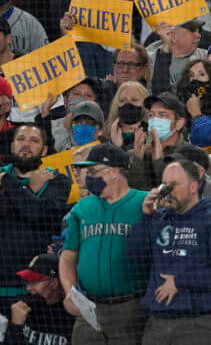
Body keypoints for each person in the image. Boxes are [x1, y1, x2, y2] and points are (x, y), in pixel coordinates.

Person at [127, 158, 211, 343]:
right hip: (157, 322)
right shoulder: (158, 219)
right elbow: (133, 257)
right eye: (164, 185)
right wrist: (146, 216)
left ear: (193, 186)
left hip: (196, 324)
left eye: (174, 185)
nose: (168, 191)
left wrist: (179, 281)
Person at [62, 143, 149, 344]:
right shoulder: (82, 207)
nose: (88, 176)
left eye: (93, 171)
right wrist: (70, 292)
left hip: (131, 307)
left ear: (113, 172)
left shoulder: (144, 203)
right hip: (89, 307)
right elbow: (68, 256)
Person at [0, 123, 70, 310]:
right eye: (21, 139)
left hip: (37, 293)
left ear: (44, 149)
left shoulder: (58, 181)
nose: (26, 144)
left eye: (34, 140)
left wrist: (8, 182)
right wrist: (31, 190)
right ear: (12, 145)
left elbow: (38, 215)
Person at [9, 253, 73, 345]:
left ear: (54, 283)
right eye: (28, 282)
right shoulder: (22, 308)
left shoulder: (72, 315)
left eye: (34, 282)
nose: (28, 288)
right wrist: (16, 325)